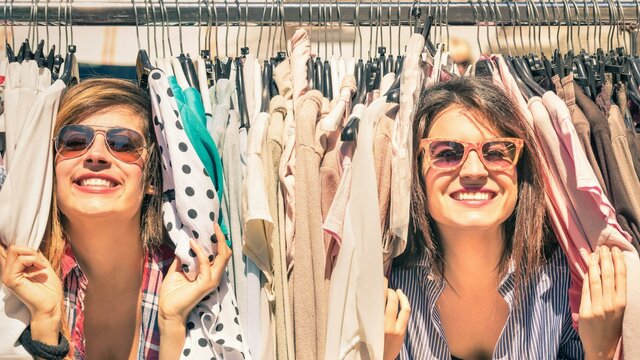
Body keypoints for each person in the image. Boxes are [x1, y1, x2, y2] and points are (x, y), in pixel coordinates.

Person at [383, 77, 627, 360]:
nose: (473, 171)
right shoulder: (390, 288)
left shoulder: (566, 284)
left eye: (496, 152)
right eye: (448, 153)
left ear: (518, 171)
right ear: (418, 170)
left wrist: (600, 351)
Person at [0, 78, 231, 359]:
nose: (96, 155)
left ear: (153, 180)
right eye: (74, 141)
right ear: (52, 169)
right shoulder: (19, 282)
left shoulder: (187, 278)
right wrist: (46, 323)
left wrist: (172, 324)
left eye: (123, 144)